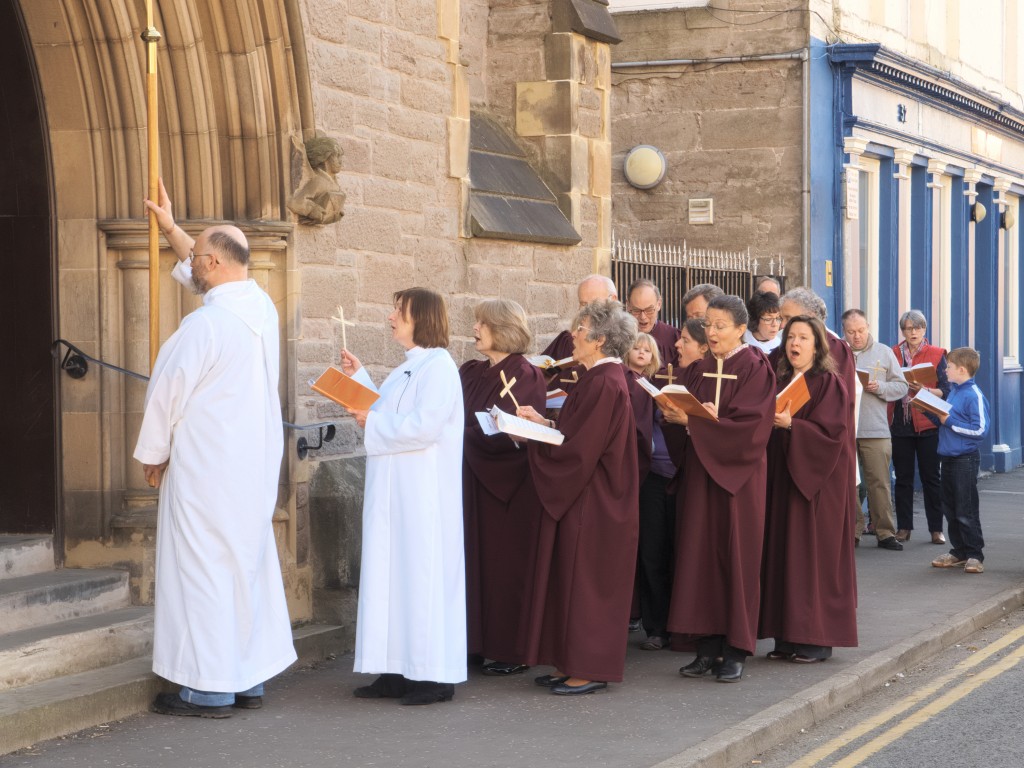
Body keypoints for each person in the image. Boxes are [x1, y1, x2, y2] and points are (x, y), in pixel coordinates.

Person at [136, 179, 296, 718]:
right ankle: (245, 676)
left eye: (200, 257)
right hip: (250, 467)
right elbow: (204, 273)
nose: (192, 264)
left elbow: (167, 395)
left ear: (220, 264)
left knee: (201, 570)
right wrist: (173, 228)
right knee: (242, 566)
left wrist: (152, 454)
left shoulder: (204, 325)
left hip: (206, 469)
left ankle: (207, 687)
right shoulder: (260, 308)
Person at [341, 288, 466, 705]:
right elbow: (387, 408)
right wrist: (359, 380)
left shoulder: (440, 367)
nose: (391, 316)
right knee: (390, 579)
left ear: (422, 319)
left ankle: (432, 677)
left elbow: (424, 425)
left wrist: (371, 422)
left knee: (420, 580)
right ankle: (394, 668)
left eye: (400, 311)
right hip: (394, 495)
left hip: (422, 497)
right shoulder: (407, 368)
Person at [516, 299, 640, 696]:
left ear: (601, 339)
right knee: (570, 579)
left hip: (595, 500)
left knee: (586, 583)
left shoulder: (604, 381)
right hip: (589, 495)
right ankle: (570, 661)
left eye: (581, 329)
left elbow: (579, 452)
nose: (574, 335)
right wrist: (544, 422)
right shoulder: (595, 378)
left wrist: (536, 440)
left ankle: (589, 667)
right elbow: (577, 433)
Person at [667, 295, 776, 683]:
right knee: (700, 559)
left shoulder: (755, 368)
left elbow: (750, 429)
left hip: (739, 479)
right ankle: (706, 647)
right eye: (708, 324)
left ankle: (736, 649)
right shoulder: (697, 370)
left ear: (741, 329)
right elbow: (682, 414)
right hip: (701, 474)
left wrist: (695, 424)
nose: (711, 332)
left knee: (736, 558)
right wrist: (675, 416)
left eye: (720, 326)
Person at [760, 315, 857, 663]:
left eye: (803, 337)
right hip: (784, 480)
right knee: (784, 555)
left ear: (817, 345)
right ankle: (786, 636)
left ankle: (816, 639)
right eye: (790, 338)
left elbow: (832, 435)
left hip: (817, 486)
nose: (794, 343)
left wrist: (793, 427)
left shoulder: (829, 382)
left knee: (812, 559)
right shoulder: (780, 378)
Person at [460, 299, 547, 677]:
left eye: (482, 322)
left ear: (503, 328)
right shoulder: (470, 371)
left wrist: (454, 437)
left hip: (507, 487)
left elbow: (514, 433)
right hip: (469, 478)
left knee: (504, 567)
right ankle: (473, 643)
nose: (475, 328)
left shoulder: (526, 374)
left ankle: (511, 649)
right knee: (470, 565)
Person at [637, 318, 709, 651]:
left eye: (684, 340)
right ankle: (656, 626)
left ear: (703, 347)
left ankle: (683, 625)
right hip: (655, 475)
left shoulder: (711, 381)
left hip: (687, 475)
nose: (676, 346)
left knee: (684, 552)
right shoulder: (663, 377)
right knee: (653, 551)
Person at [776, 288, 864, 551]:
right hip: (784, 457)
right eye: (784, 323)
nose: (783, 326)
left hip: (819, 459)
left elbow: (833, 414)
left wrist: (793, 424)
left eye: (789, 319)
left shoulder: (834, 355)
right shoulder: (781, 357)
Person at [841, 309, 908, 549]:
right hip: (844, 429)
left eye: (860, 330)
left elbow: (901, 387)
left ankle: (885, 533)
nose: (856, 336)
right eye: (851, 332)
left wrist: (879, 386)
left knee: (878, 482)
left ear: (868, 327)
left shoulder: (884, 352)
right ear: (843, 331)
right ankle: (853, 531)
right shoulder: (837, 352)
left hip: (874, 428)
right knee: (849, 483)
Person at [888, 310, 950, 544]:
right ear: (903, 331)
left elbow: (946, 390)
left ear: (924, 329)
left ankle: (936, 529)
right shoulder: (892, 353)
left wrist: (922, 389)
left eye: (917, 328)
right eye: (908, 328)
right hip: (900, 424)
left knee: (931, 478)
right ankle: (904, 527)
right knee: (902, 478)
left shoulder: (936, 354)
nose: (912, 332)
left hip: (928, 423)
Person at [929, 348, 990, 574]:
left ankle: (975, 554)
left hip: (965, 459)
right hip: (948, 457)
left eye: (949, 367)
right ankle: (959, 551)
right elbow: (945, 419)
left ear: (961, 370)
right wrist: (929, 410)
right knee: (950, 507)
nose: (945, 370)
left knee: (966, 509)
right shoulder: (954, 391)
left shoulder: (973, 394)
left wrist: (949, 421)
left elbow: (980, 430)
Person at [540, 274, 618, 361]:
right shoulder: (569, 341)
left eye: (594, 303)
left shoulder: (628, 340)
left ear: (613, 299)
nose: (588, 310)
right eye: (584, 304)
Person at [626, 278, 680, 373]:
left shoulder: (674, 338)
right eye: (636, 310)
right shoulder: (621, 337)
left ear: (658, 304)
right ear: (628, 306)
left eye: (649, 310)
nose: (643, 317)